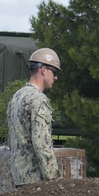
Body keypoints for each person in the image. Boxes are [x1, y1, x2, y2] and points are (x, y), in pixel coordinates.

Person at [7, 48, 62, 186]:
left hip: (18, 179)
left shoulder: (16, 97)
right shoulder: (38, 100)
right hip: (36, 182)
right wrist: (53, 178)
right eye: (54, 72)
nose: (55, 77)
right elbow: (41, 143)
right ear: (43, 70)